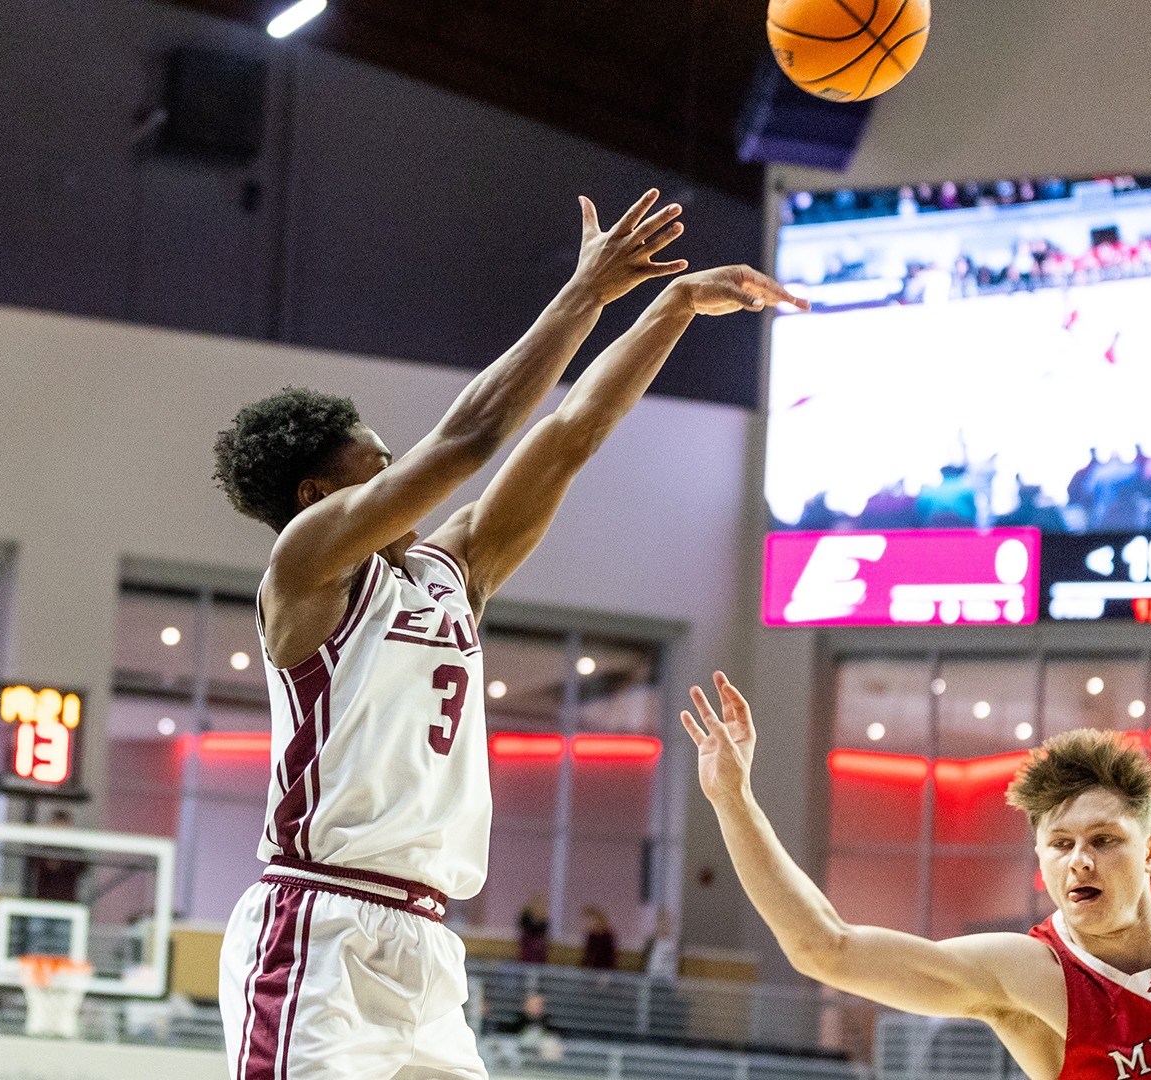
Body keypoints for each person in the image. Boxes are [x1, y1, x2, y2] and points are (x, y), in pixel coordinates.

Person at [212, 189, 802, 1080]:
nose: (392, 464)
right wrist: (586, 292)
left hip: (426, 943)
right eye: (373, 460)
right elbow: (471, 436)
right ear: (316, 497)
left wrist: (672, 309)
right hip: (318, 928)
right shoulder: (305, 572)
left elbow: (569, 434)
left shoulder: (453, 571)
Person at [680, 671, 1151, 1080]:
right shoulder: (1028, 976)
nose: (1081, 859)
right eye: (1061, 843)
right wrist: (733, 799)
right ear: (1041, 862)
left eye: (1105, 839)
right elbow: (827, 949)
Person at [580, 905, 619, 970]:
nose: (586, 924)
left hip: (605, 971)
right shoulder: (591, 936)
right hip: (591, 971)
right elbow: (588, 957)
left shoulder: (607, 937)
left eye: (590, 921)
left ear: (598, 921)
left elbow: (610, 959)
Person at [518, 895, 551, 964]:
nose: (538, 907)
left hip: (539, 958)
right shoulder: (526, 921)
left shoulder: (543, 924)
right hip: (527, 957)